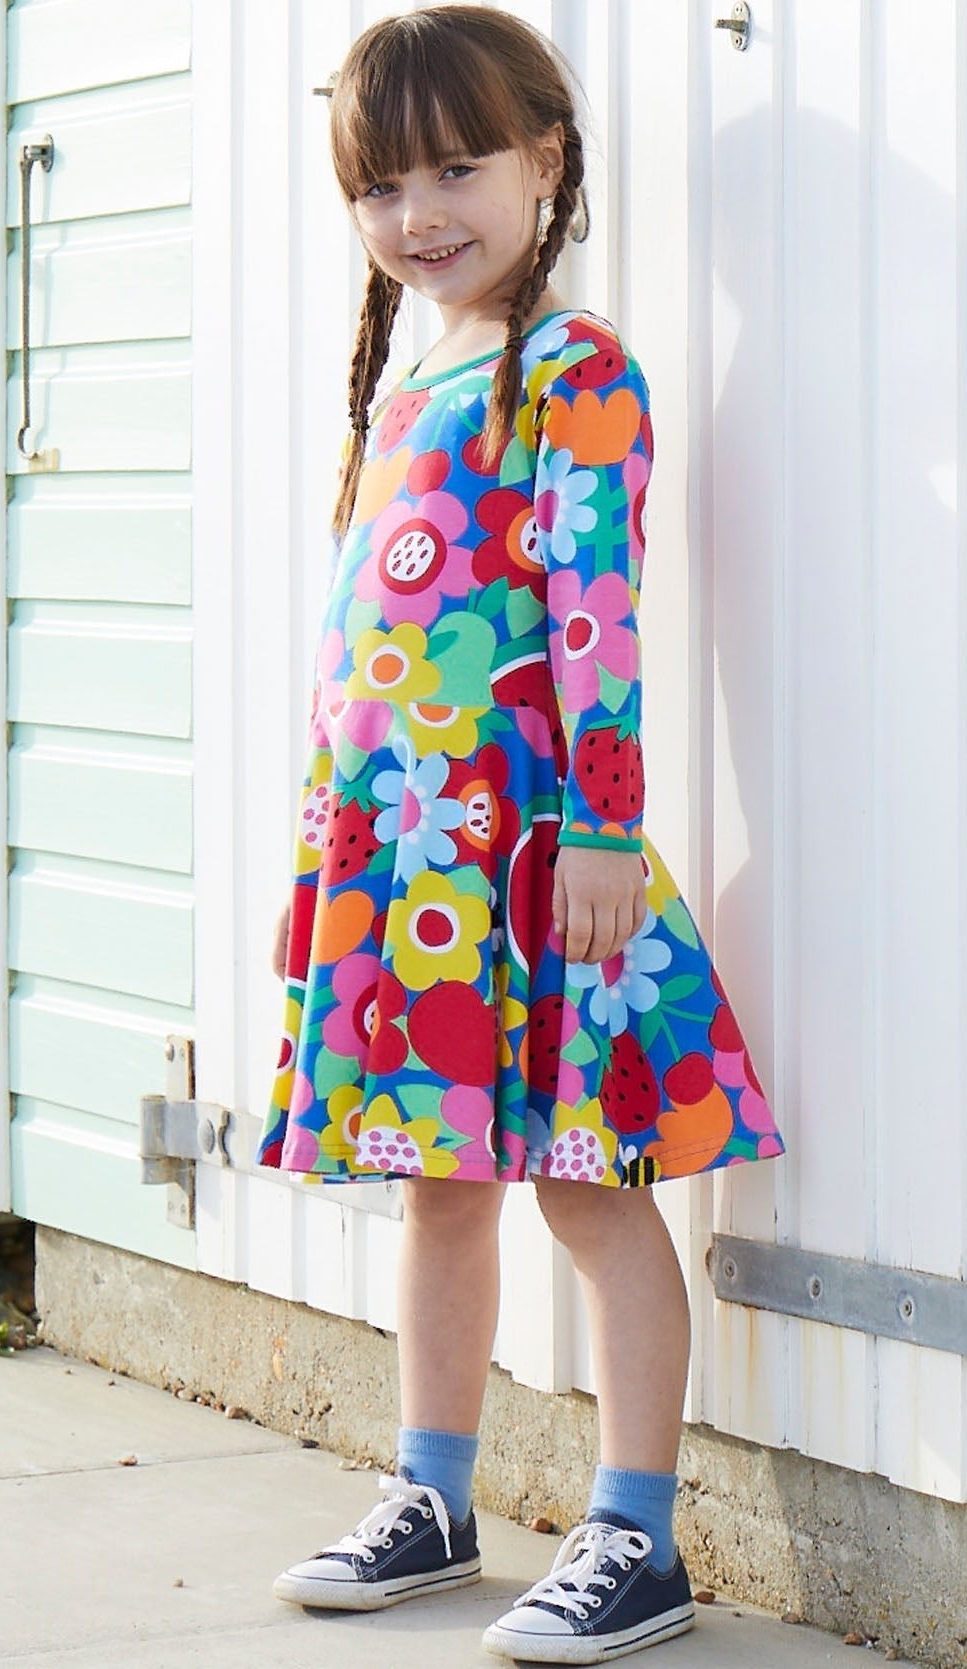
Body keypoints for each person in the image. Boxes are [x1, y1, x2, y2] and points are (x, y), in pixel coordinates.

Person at [257, 7, 786, 1661]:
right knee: (440, 1189)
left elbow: (594, 613)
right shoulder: (412, 382)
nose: (424, 210)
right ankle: (435, 1494)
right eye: (386, 182)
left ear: (544, 161)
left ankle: (637, 1529)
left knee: (589, 1191)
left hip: (542, 871)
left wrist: (608, 825)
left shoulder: (575, 369)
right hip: (410, 874)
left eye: (460, 167)